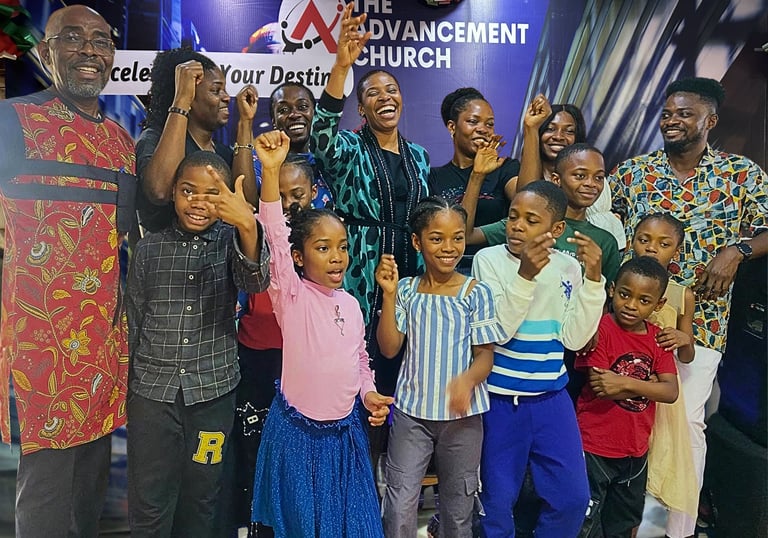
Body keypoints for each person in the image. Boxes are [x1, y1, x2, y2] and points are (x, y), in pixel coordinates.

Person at [610, 76, 767, 538]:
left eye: (684, 113)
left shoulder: (740, 174)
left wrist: (737, 250)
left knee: (685, 423)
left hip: (703, 324)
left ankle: (676, 528)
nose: (672, 121)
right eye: (667, 114)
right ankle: (630, 524)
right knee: (636, 417)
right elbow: (600, 221)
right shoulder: (633, 173)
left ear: (709, 121)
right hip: (634, 320)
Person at [0, 6, 136, 537]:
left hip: (102, 344)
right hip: (40, 346)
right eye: (73, 38)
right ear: (46, 51)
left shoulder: (121, 143)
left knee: (88, 492)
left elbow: (121, 239)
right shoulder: (12, 121)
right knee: (47, 495)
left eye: (100, 41)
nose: (88, 50)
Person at [250, 130, 393, 537]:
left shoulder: (351, 304)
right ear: (299, 257)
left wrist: (368, 393)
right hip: (298, 439)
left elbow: (360, 359)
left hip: (346, 437)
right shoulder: (291, 295)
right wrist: (271, 172)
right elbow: (274, 236)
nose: (337, 258)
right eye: (323, 248)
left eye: (342, 247)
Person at [309, 2, 430, 466]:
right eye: (373, 93)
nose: (385, 97)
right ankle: (352, 474)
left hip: (409, 284)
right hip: (359, 280)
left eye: (391, 90)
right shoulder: (348, 149)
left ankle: (394, 481)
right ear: (361, 108)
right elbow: (320, 136)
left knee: (403, 387)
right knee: (358, 386)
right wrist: (342, 65)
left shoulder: (419, 156)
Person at [125, 151, 269, 538]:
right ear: (173, 192)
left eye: (211, 193)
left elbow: (255, 281)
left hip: (212, 395)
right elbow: (133, 322)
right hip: (152, 397)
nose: (198, 202)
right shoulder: (149, 249)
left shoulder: (232, 242)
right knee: (149, 501)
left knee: (202, 498)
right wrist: (127, 389)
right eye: (188, 191)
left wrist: (247, 224)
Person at [471, 180, 606, 537]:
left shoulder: (568, 267)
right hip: (499, 401)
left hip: (551, 400)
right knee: (496, 503)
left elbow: (575, 339)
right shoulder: (489, 260)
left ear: (556, 230)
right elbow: (499, 331)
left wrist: (594, 281)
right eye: (513, 216)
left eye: (531, 220)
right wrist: (526, 276)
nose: (517, 226)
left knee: (573, 499)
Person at [375, 196, 505, 537]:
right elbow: (389, 348)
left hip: (463, 421)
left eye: (457, 238)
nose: (449, 247)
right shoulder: (406, 290)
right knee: (399, 504)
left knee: (458, 509)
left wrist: (467, 381)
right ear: (417, 242)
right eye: (437, 238)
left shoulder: (476, 293)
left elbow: (485, 356)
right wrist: (388, 295)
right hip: (411, 416)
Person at [229, 153, 317, 538]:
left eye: (297, 194)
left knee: (296, 459)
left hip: (299, 363)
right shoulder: (255, 232)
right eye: (279, 195)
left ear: (314, 193)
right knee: (255, 455)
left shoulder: (321, 241)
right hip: (255, 359)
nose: (289, 203)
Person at [575, 256, 679, 538]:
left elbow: (670, 391)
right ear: (612, 289)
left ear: (659, 304)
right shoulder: (600, 329)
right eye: (624, 294)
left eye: (644, 300)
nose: (631, 305)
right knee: (586, 523)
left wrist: (623, 381)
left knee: (623, 523)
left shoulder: (658, 339)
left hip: (635, 450)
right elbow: (602, 386)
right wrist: (649, 383)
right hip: (594, 445)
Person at [136, 47, 258, 232]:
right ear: (190, 94)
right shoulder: (154, 139)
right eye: (216, 90)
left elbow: (247, 206)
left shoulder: (223, 153)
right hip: (165, 250)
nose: (226, 97)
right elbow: (160, 192)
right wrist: (181, 99)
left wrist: (245, 124)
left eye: (224, 90)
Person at [629, 213, 698, 522]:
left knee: (660, 460)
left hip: (661, 393)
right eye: (644, 240)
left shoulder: (682, 294)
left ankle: (651, 530)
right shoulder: (620, 284)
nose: (651, 248)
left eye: (663, 243)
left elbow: (687, 355)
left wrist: (684, 339)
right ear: (632, 241)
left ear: (677, 251)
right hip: (625, 382)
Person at [429, 87, 520, 227]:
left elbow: (528, 204)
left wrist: (531, 129)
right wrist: (477, 176)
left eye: (489, 124)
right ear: (452, 127)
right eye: (473, 121)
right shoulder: (433, 177)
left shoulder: (505, 168)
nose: (483, 129)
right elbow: (458, 232)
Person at [551, 143, 621, 286]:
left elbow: (607, 294)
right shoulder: (535, 225)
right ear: (556, 180)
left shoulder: (606, 241)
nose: (591, 183)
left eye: (598, 177)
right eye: (580, 176)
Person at [261, 82, 332, 207]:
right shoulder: (263, 159)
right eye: (283, 110)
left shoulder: (332, 158)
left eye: (302, 107)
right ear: (274, 121)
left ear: (315, 113)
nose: (294, 114)